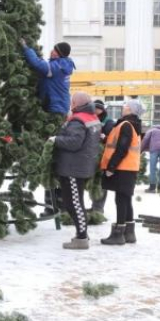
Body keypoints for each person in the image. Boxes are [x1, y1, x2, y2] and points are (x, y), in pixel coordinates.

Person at [20, 39, 76, 216]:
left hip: (54, 110)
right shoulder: (61, 65)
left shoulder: (57, 67)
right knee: (52, 154)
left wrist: (25, 47)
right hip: (55, 108)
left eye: (54, 50)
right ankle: (57, 204)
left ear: (59, 53)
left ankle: (55, 204)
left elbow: (37, 65)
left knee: (50, 154)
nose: (51, 51)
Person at [52, 92, 102, 250]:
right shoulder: (91, 117)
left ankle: (81, 238)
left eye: (72, 101)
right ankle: (82, 234)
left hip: (73, 167)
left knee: (74, 203)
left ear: (77, 103)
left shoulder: (78, 119)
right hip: (83, 165)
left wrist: (55, 140)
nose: (70, 103)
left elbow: (74, 143)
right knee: (74, 201)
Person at [99, 98, 145, 246]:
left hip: (122, 168)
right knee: (126, 199)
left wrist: (111, 167)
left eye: (126, 105)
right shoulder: (134, 125)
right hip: (130, 167)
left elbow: (122, 148)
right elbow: (120, 143)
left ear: (131, 110)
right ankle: (129, 233)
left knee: (120, 200)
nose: (124, 106)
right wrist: (105, 138)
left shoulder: (125, 125)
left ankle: (118, 234)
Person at [88, 99, 116, 213]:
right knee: (93, 182)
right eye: (94, 108)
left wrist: (104, 138)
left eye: (98, 108)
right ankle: (94, 206)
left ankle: (98, 208)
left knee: (100, 182)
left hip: (103, 156)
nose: (95, 110)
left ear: (102, 109)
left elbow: (112, 139)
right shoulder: (90, 118)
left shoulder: (108, 122)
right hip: (91, 155)